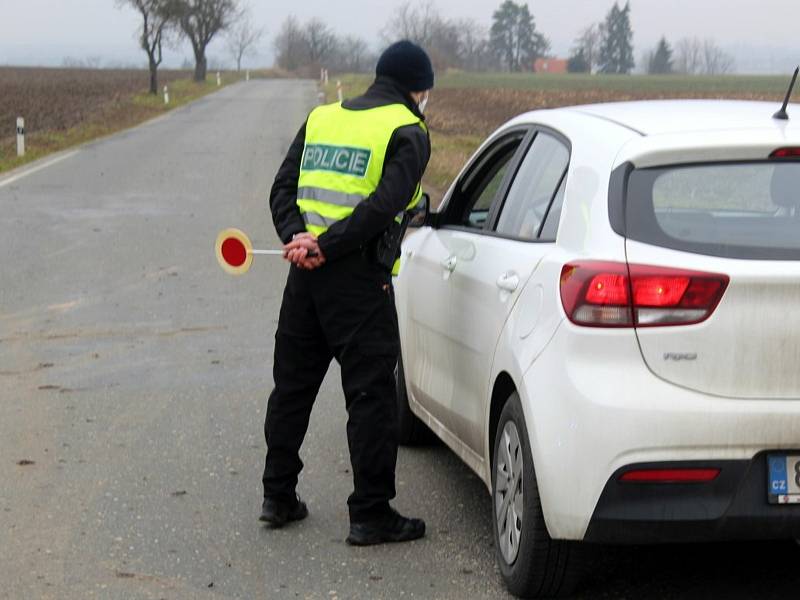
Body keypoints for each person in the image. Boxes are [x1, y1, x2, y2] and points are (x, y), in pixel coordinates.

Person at [260, 40, 433, 546]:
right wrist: (327, 246)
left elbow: (281, 189)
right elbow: (384, 205)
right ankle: (371, 513)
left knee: (291, 388)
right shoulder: (409, 130)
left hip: (305, 278)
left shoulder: (322, 117)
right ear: (417, 88)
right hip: (357, 280)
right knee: (371, 394)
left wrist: (298, 239)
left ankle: (278, 496)